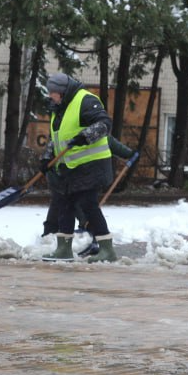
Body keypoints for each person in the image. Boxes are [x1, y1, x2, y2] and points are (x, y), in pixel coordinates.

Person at [38, 72, 118, 263]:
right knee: (65, 202)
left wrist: (85, 136)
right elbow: (57, 137)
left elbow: (104, 124)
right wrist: (47, 158)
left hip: (92, 164)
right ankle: (63, 249)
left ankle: (107, 249)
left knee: (87, 203)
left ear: (62, 91)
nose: (50, 96)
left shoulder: (85, 100)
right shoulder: (59, 107)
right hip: (71, 166)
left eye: (53, 93)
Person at [41, 136, 137, 257]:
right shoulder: (71, 129)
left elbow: (109, 141)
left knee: (73, 203)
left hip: (77, 176)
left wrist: (130, 153)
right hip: (65, 176)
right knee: (67, 204)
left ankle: (83, 232)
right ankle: (53, 237)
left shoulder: (88, 129)